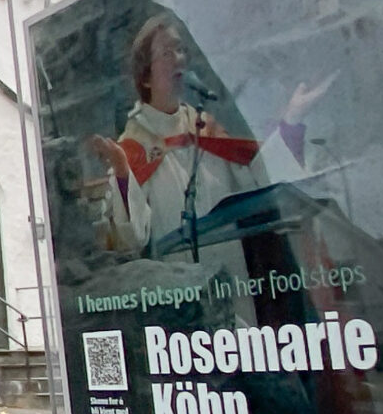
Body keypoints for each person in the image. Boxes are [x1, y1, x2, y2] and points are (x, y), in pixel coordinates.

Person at [77, 13, 329, 259]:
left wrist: (292, 120)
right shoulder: (133, 148)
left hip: (234, 277)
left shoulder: (205, 129)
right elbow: (130, 240)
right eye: (166, 53)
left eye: (180, 50)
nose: (178, 59)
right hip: (182, 282)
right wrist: (123, 172)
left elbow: (259, 182)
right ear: (145, 78)